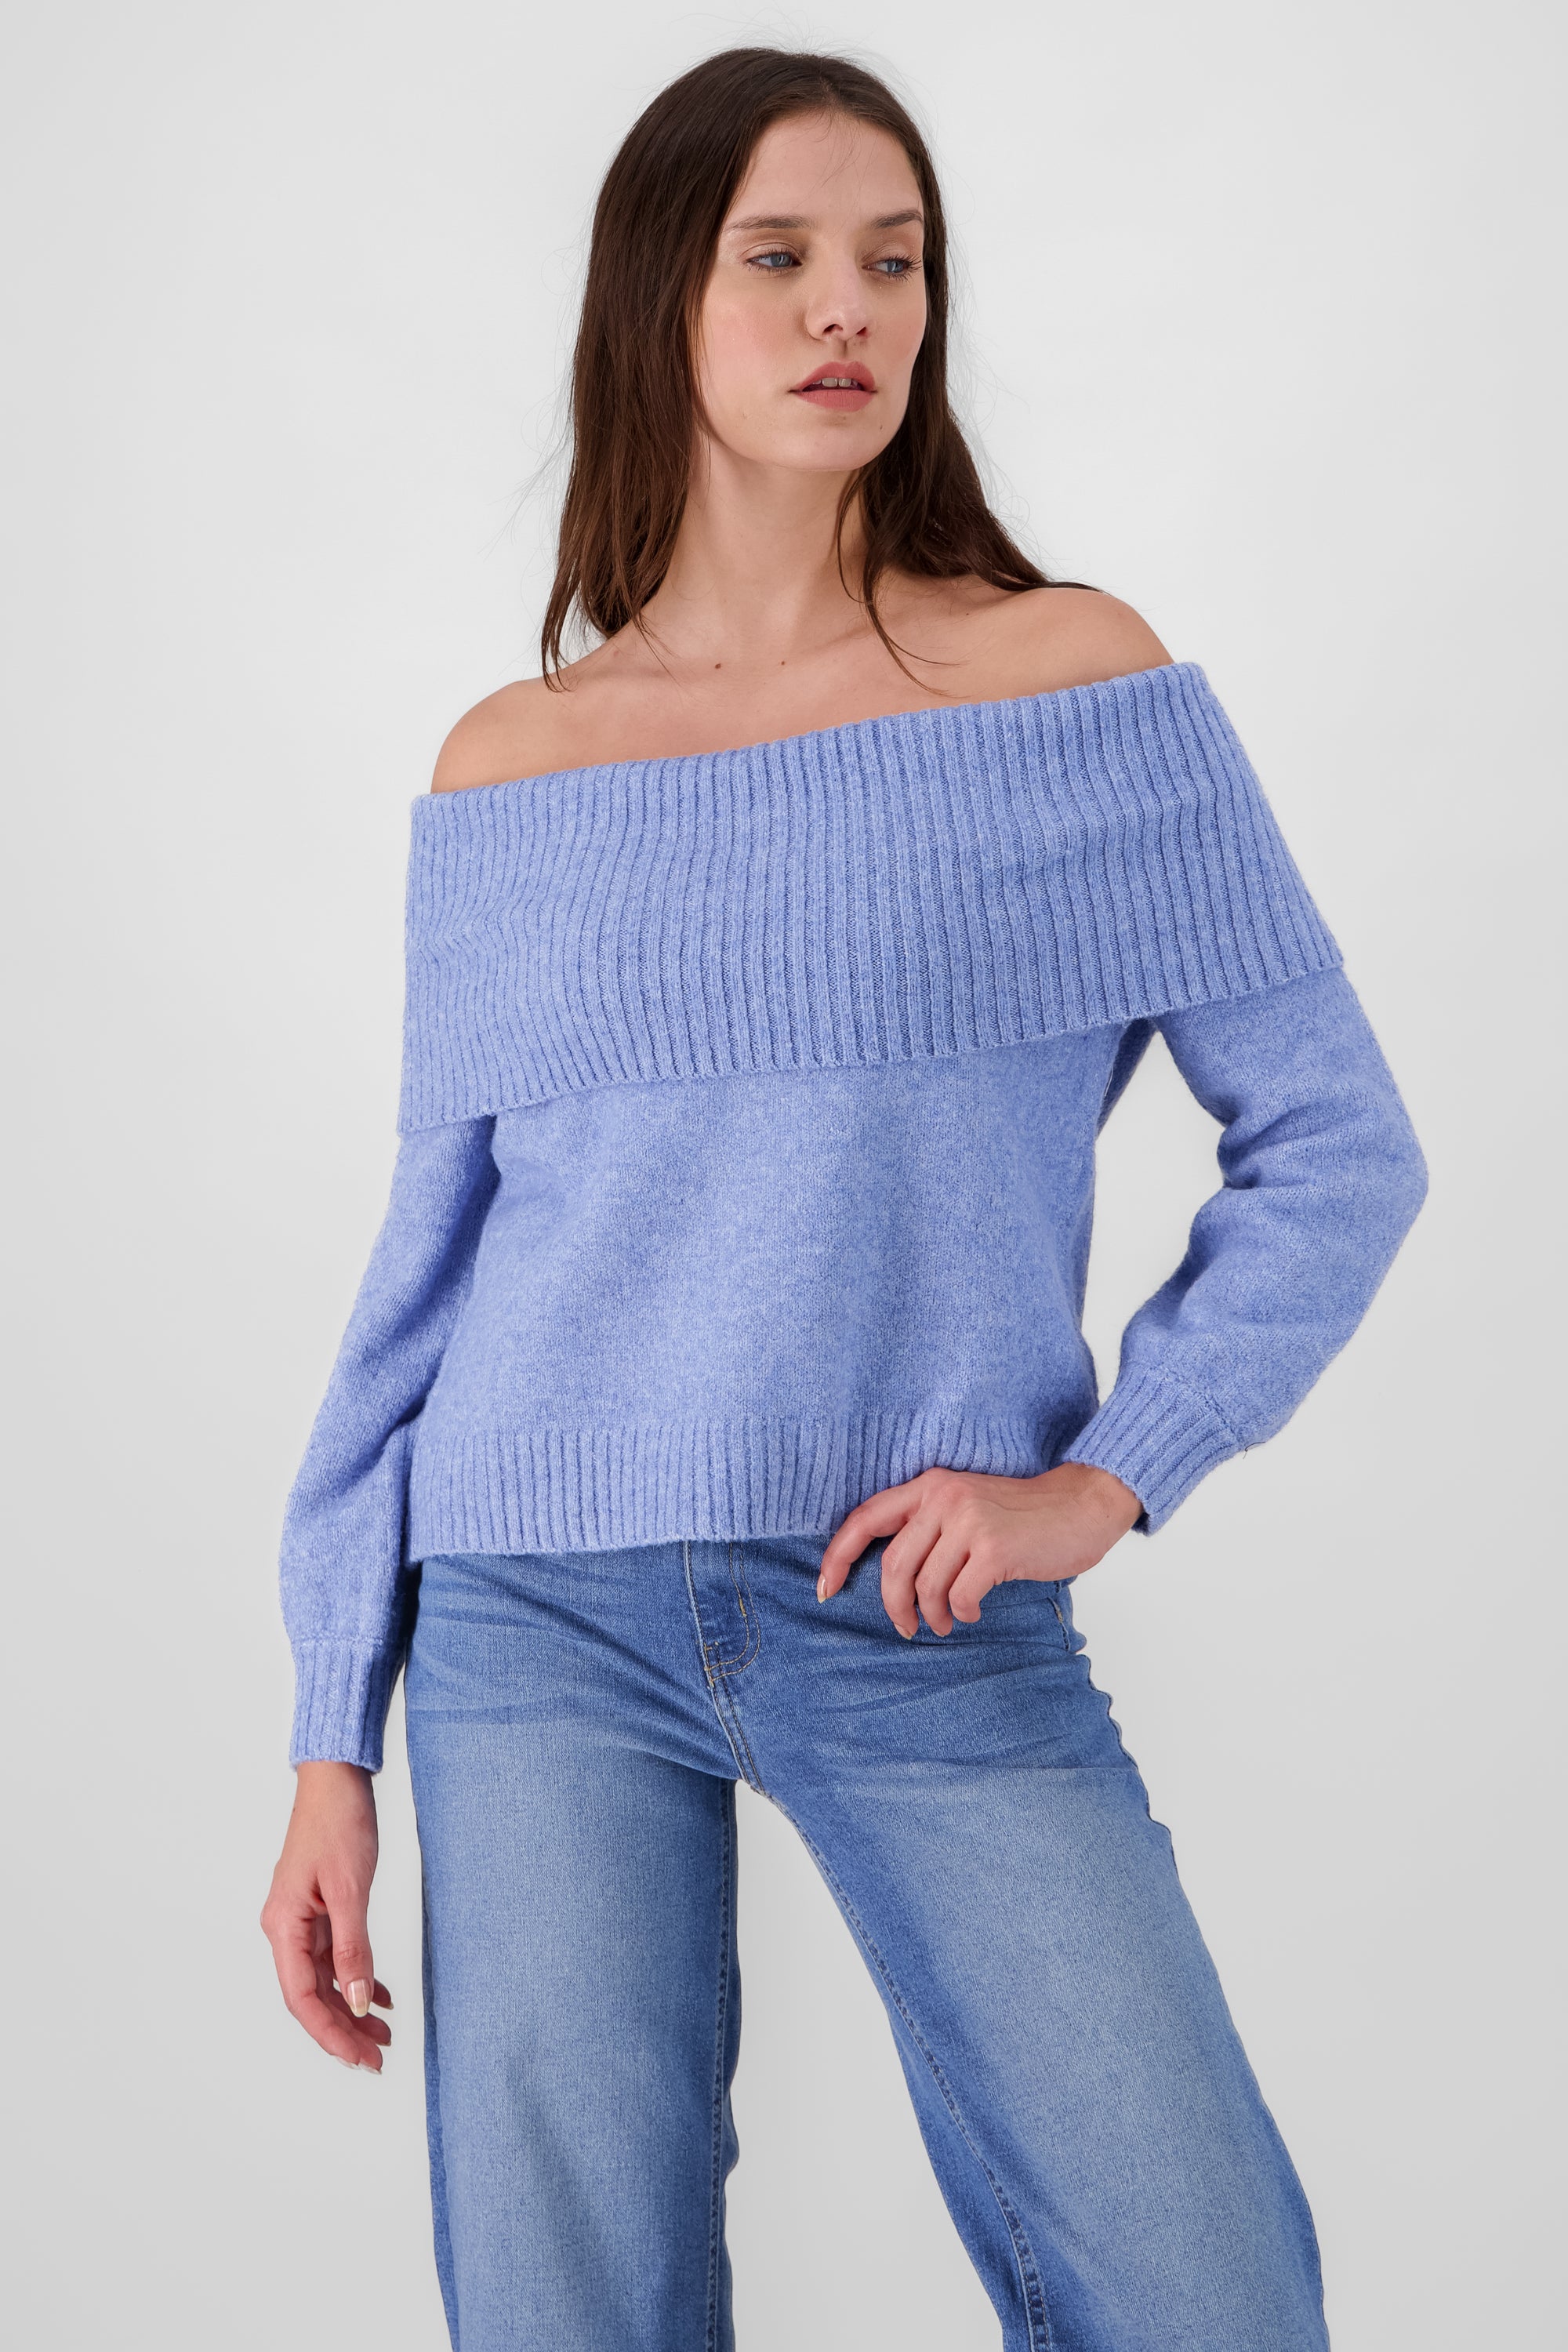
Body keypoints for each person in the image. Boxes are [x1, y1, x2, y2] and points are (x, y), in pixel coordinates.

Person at [261, 46, 1427, 2352]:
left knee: (1204, 2286)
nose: (848, 311)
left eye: (893, 262)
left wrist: (1108, 1476)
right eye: (779, 257)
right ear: (658, 305)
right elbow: (428, 1281)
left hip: (917, 1599)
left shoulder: (1071, 688)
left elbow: (1339, 1146)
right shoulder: (513, 766)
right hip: (531, 1619)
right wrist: (328, 1731)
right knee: (570, 2312)